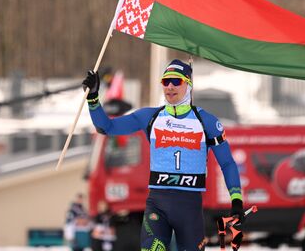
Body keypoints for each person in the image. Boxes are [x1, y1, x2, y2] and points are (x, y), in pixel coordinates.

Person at [82, 59, 244, 251]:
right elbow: (106, 127)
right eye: (165, 82)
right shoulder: (150, 117)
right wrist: (93, 97)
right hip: (157, 206)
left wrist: (237, 201)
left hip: (189, 209)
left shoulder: (205, 122)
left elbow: (227, 163)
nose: (170, 86)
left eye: (176, 81)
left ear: (188, 85)